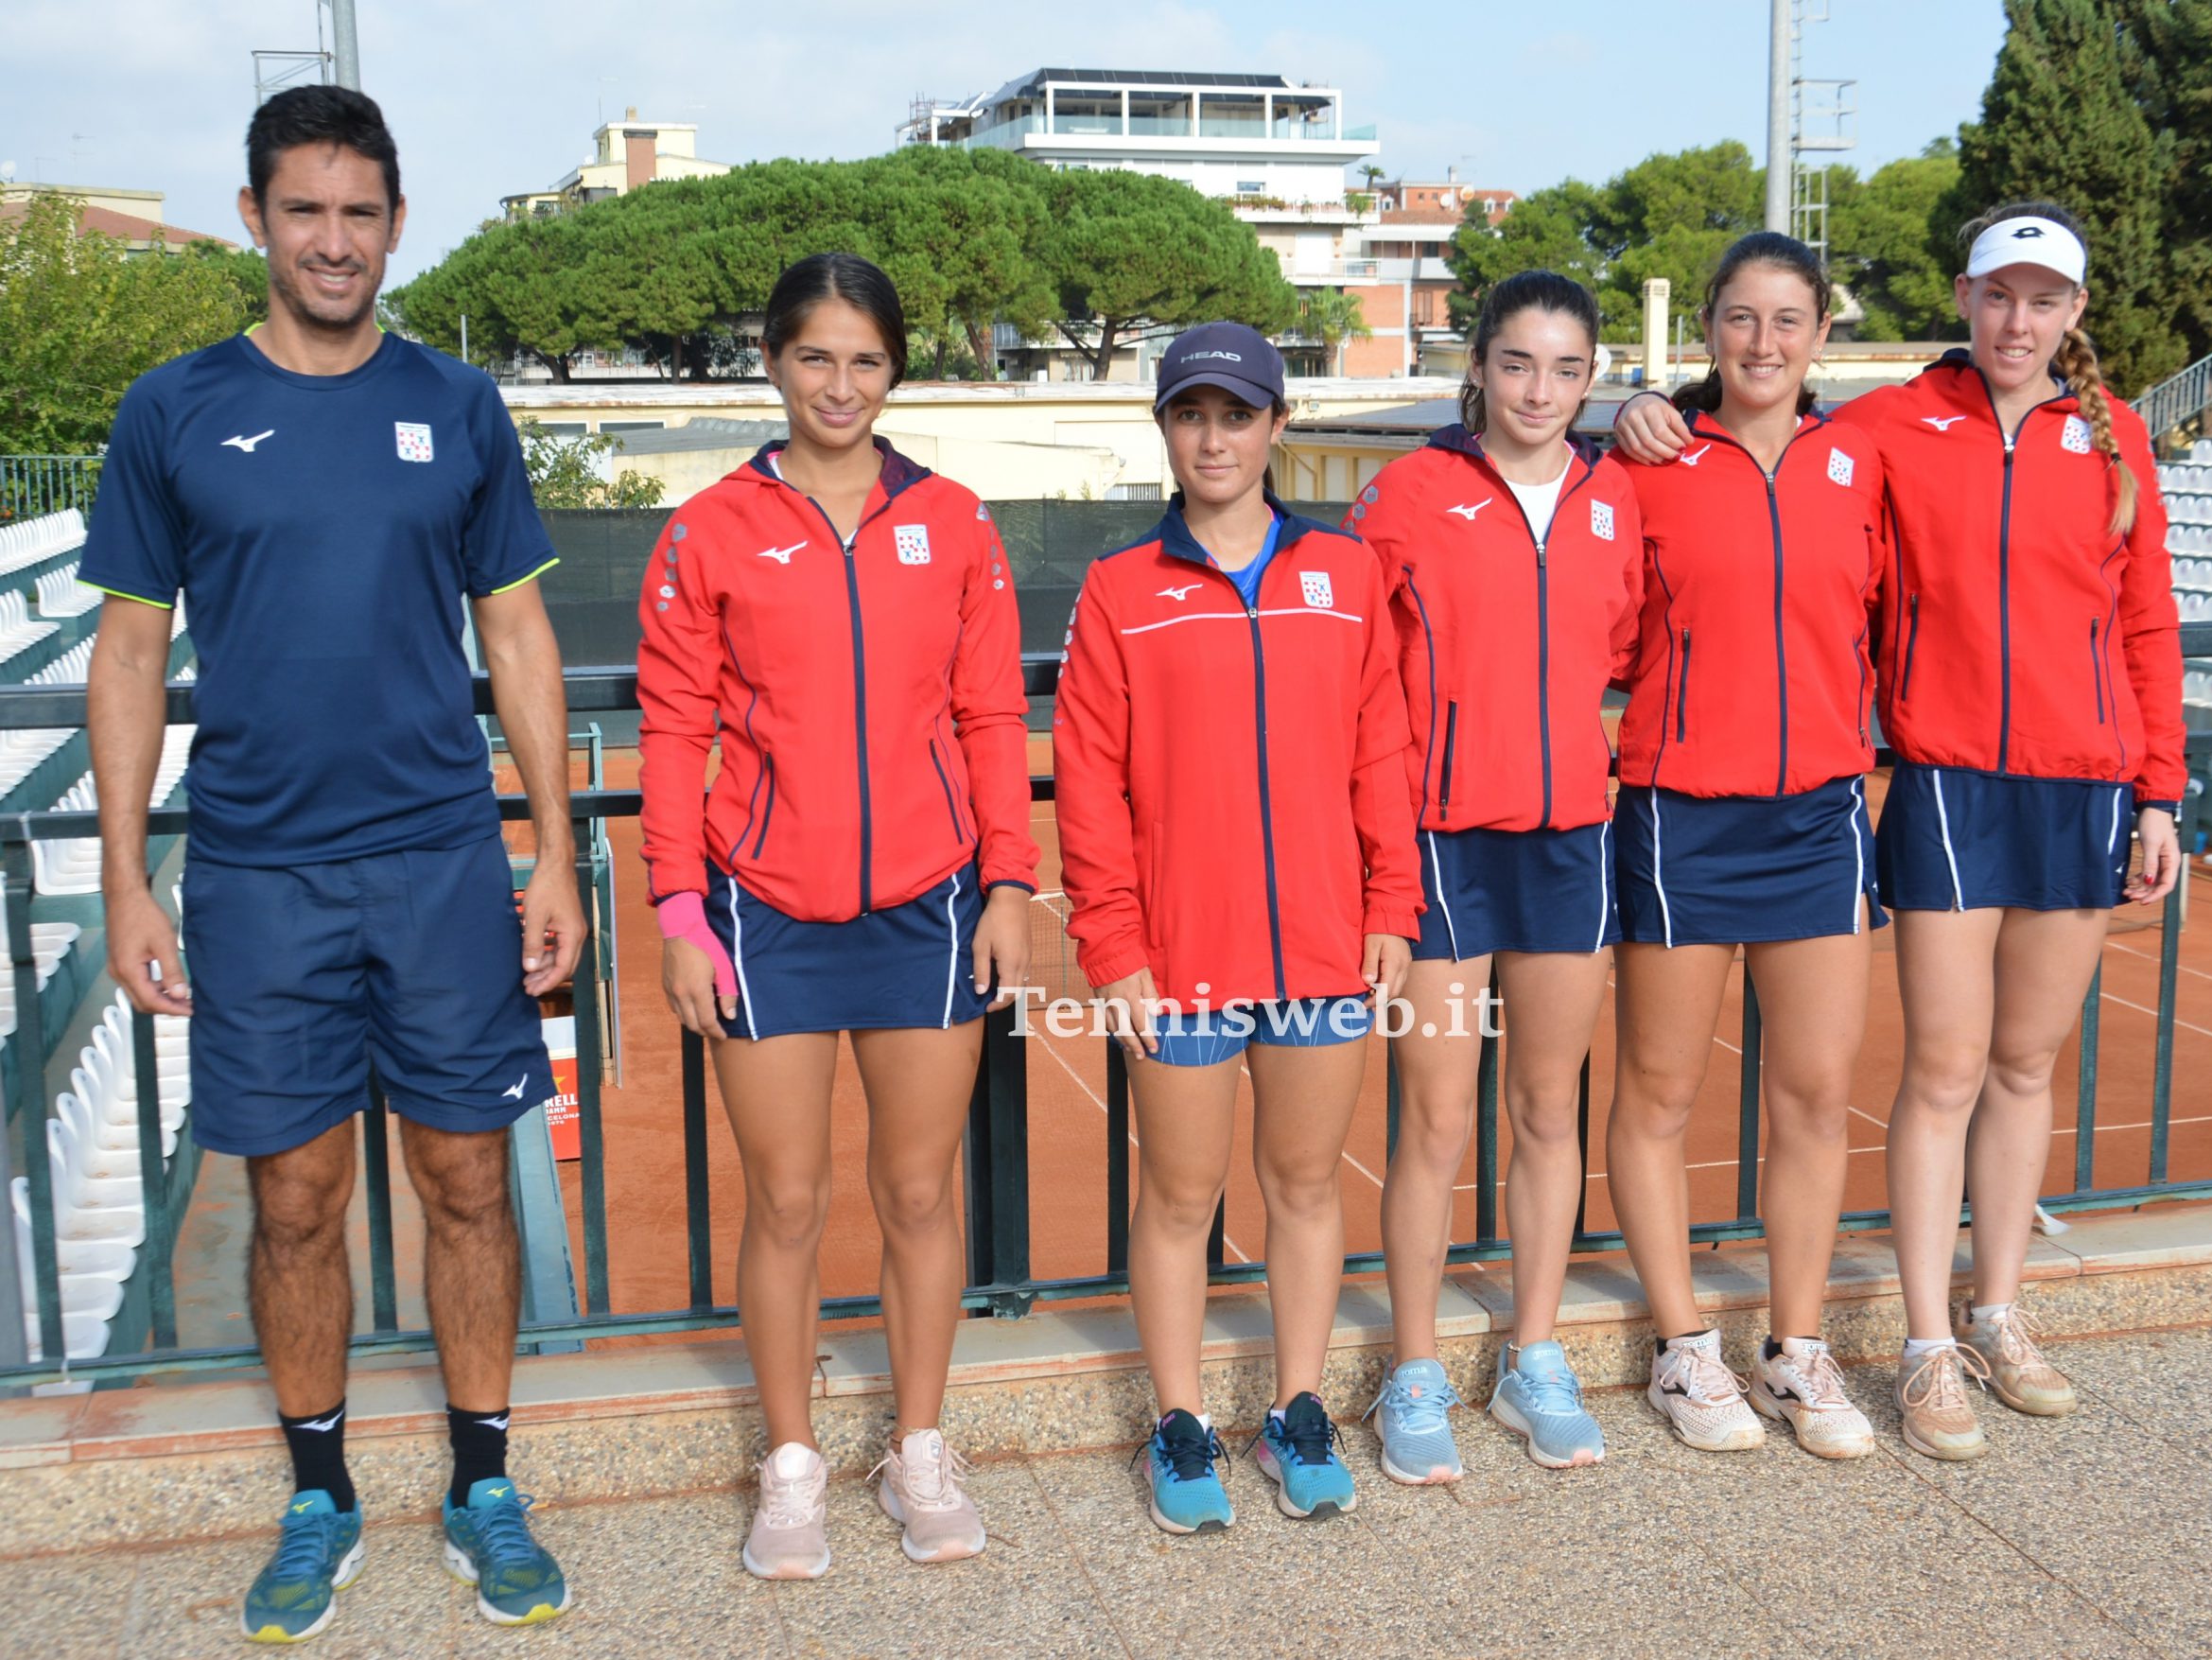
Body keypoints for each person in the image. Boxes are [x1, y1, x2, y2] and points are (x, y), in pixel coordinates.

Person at [84, 86, 582, 1641]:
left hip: (441, 863)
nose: (333, 240)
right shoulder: (171, 410)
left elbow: (517, 631)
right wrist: (124, 877)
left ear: (396, 223)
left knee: (467, 1182)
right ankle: (319, 1497)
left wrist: (554, 849)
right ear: (255, 217)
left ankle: (483, 1482)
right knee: (293, 1201)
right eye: (304, 209)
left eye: (360, 212)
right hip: (258, 877)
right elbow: (127, 650)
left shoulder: (460, 403)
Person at [1612, 201, 2184, 1459]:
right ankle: (1921, 1348)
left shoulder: (2114, 435)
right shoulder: (1883, 429)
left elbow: (2146, 619)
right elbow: (1739, 429)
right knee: (1940, 1066)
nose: (2018, 320)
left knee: (2022, 1065)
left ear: (2074, 312)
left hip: (2081, 782)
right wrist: (1643, 402)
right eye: (1998, 294)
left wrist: (2160, 789)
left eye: (2043, 299)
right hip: (1936, 781)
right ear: (1963, 299)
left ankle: (1995, 1313)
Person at [637, 253, 1036, 1574]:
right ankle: (793, 1464)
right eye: (815, 355)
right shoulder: (708, 528)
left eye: (866, 359)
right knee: (789, 1199)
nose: (840, 383)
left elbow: (991, 716)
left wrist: (1009, 880)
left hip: (930, 908)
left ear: (894, 370)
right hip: (764, 915)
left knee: (919, 1190)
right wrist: (679, 908)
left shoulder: (956, 521)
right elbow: (672, 728)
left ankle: (919, 1447)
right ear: (773, 361)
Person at [1053, 323, 1422, 1532]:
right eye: (1191, 415)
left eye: (1237, 415)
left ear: (1276, 426)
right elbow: (1090, 783)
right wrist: (1114, 946)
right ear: (1165, 428)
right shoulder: (1120, 588)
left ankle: (1296, 1409)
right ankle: (1178, 1423)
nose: (1213, 439)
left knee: (1306, 1186)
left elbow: (1381, 750)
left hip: (1323, 946)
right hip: (1178, 958)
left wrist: (1390, 902)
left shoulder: (1347, 572)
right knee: (1179, 1197)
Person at [1351, 271, 1643, 1481]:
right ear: (1477, 366)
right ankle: (1414, 1372)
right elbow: (1361, 673)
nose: (1537, 390)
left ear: (1591, 380)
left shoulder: (1616, 496)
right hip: (1441, 839)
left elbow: (1618, 644)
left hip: (1568, 838)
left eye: (1565, 369)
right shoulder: (1407, 495)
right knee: (1432, 1118)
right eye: (1516, 363)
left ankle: (1534, 1355)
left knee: (1547, 1108)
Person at [1606, 233, 1888, 1460]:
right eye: (1739, 317)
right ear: (1707, 330)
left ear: (1820, 333)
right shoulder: (1647, 462)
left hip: (1818, 817)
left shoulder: (1862, 459)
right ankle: (1682, 1346)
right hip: (1680, 813)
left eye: (1786, 319)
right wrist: (1624, 414)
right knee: (1659, 1092)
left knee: (1815, 1093)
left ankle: (1796, 1346)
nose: (1761, 342)